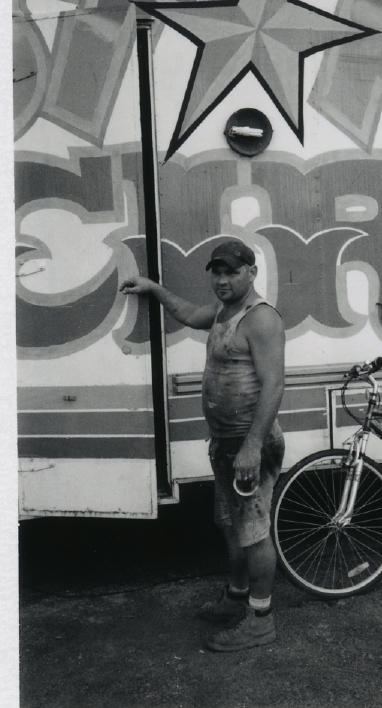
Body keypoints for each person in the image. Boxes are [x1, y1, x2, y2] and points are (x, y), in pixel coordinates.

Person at [122, 237, 287, 651]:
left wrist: (251, 446)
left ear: (251, 272)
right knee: (229, 525)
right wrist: (154, 288)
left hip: (251, 444)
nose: (222, 279)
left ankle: (261, 618)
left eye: (232, 271)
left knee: (253, 531)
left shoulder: (260, 319)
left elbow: (273, 386)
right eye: (216, 271)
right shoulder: (222, 311)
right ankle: (237, 597)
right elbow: (189, 313)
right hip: (226, 442)